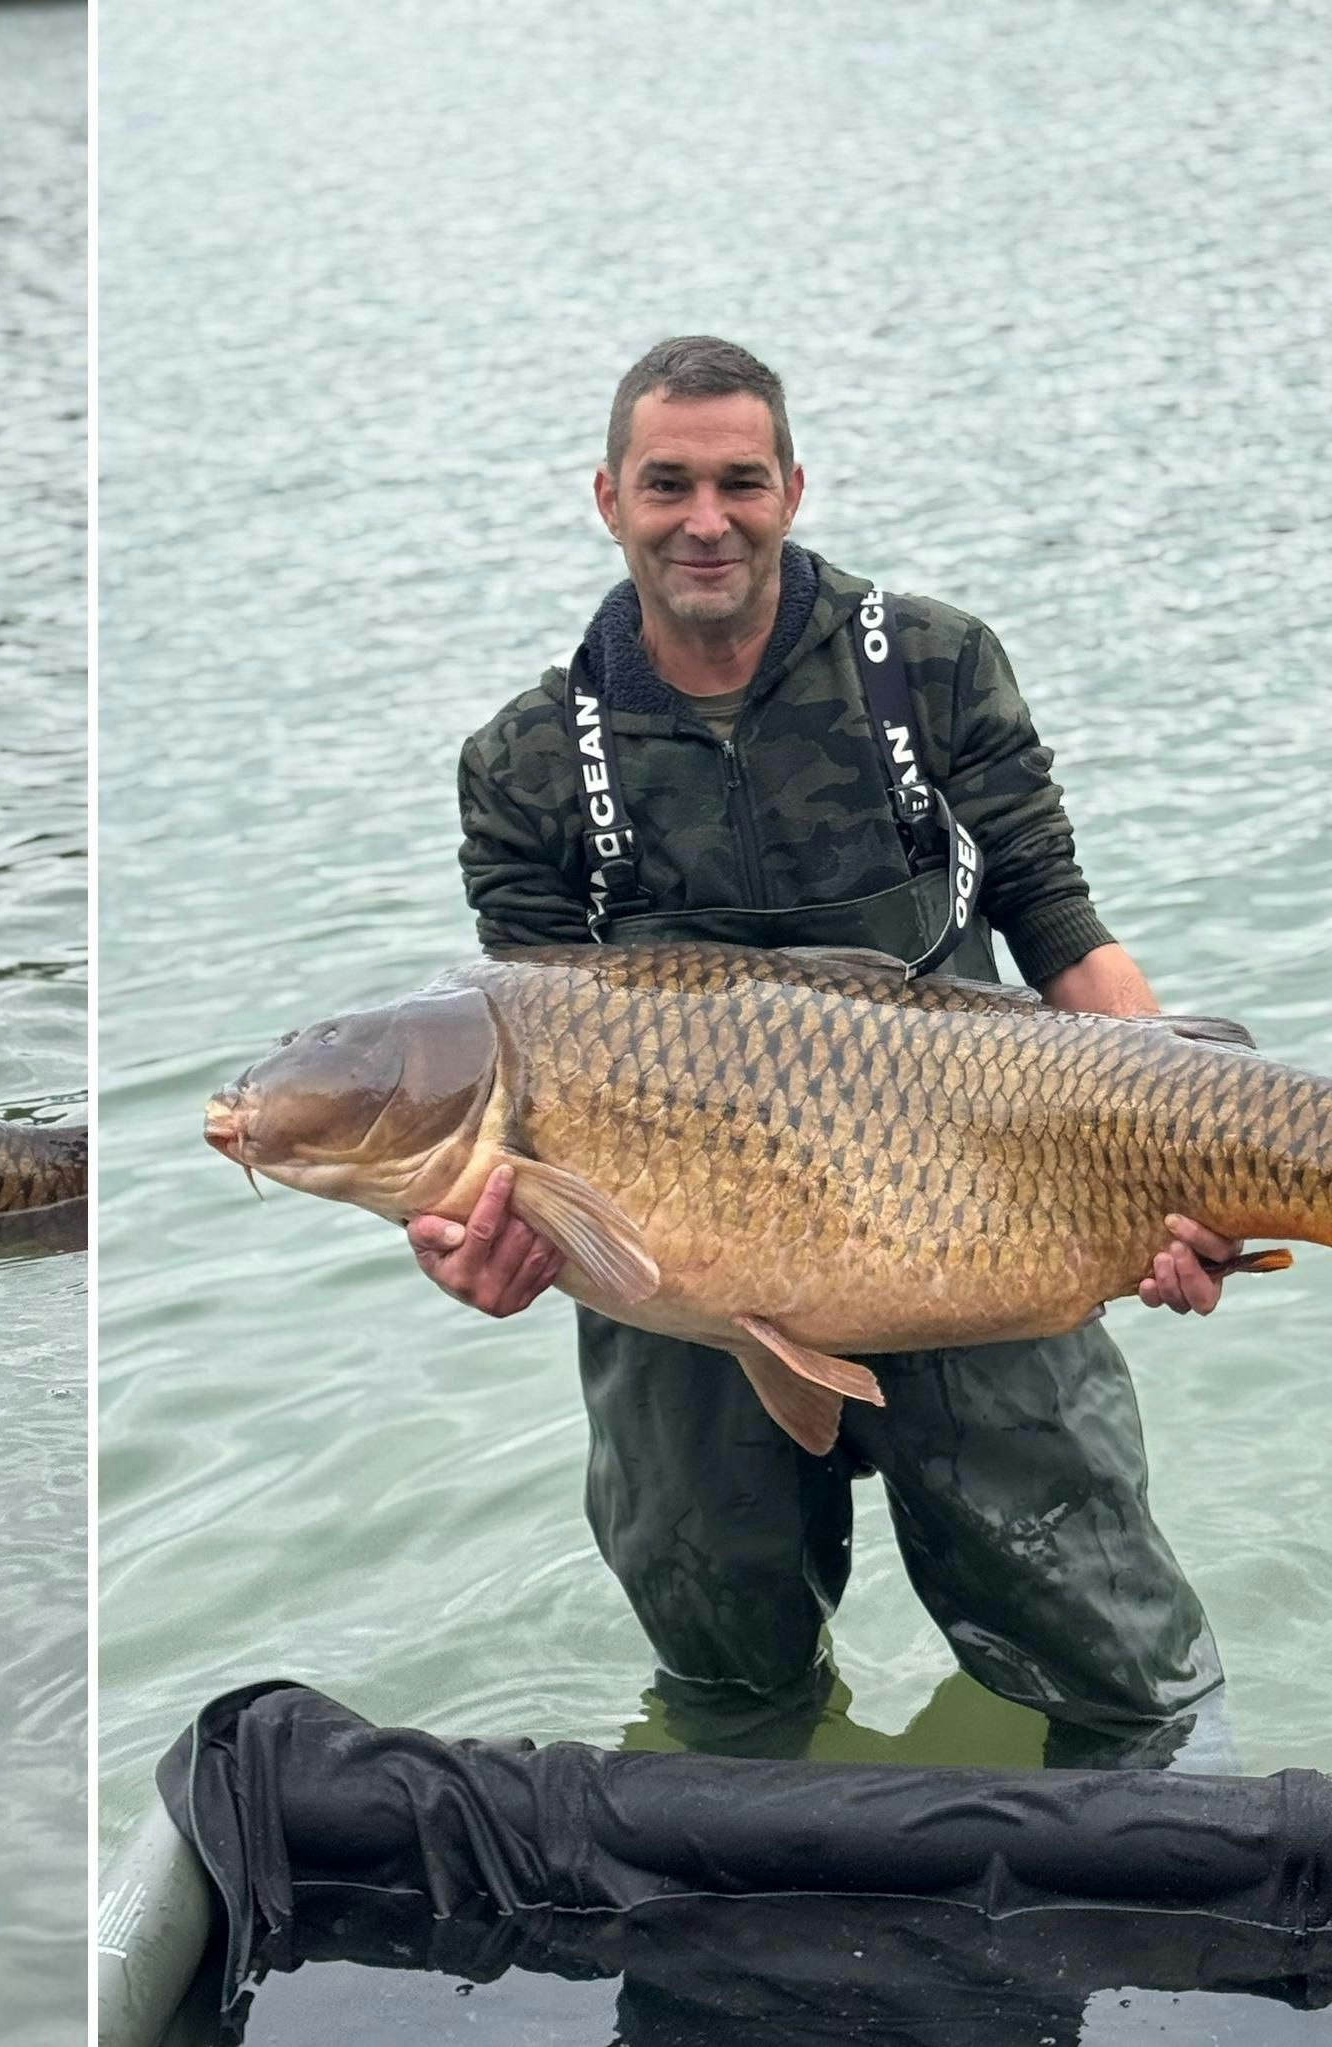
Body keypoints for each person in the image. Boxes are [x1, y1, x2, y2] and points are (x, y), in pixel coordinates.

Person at [440, 336, 1232, 1768]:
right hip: (686, 1277)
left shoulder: (931, 664)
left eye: (740, 482)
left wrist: (1194, 1158)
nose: (706, 520)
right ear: (607, 497)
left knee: (1120, 1668)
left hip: (973, 1205)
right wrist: (483, 1240)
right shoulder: (526, 764)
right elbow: (525, 1057)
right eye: (667, 484)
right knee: (723, 1670)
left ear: (792, 489)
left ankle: (1172, 1849)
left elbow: (1061, 929)